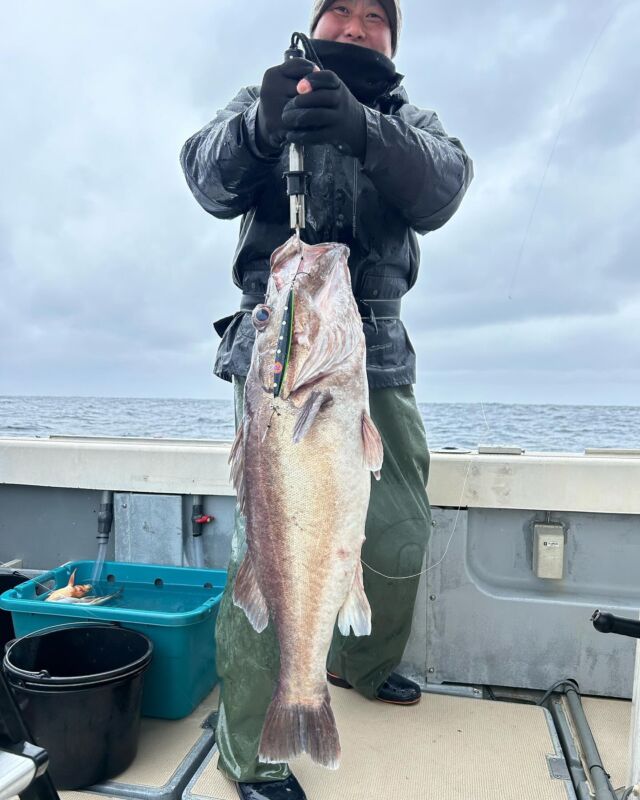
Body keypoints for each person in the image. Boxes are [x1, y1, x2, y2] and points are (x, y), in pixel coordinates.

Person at [180, 1, 473, 798]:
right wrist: (259, 127)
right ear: (318, 20)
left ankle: (364, 664)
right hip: (281, 361)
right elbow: (204, 176)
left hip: (374, 351)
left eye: (373, 15)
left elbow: (445, 187)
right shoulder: (262, 95)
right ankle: (253, 749)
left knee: (402, 533)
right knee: (267, 556)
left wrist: (364, 131)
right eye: (337, 8)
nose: (352, 24)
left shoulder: (409, 118)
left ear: (391, 37)